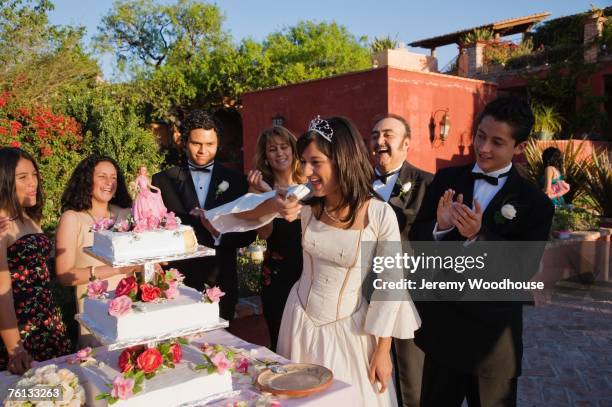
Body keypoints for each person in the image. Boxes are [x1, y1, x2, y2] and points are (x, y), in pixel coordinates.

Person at [259, 116, 421, 406]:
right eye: (304, 162)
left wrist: (383, 351)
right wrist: (268, 203)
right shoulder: (306, 204)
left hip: (349, 332)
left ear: (342, 159)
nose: (306, 172)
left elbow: (390, 286)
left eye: (315, 162)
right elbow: (249, 218)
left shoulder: (379, 214)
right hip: (298, 321)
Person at [410, 96, 554, 407]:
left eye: (497, 142)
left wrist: (479, 236)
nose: (484, 147)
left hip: (494, 343)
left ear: (518, 148)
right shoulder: (447, 180)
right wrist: (440, 228)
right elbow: (416, 241)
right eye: (480, 136)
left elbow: (523, 267)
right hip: (444, 333)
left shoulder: (536, 203)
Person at [152, 110, 255, 320]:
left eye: (209, 144)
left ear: (218, 144)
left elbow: (248, 235)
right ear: (184, 141)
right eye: (196, 143)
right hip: (176, 286)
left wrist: (216, 231)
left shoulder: (237, 181)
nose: (202, 150)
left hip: (221, 284)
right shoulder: (162, 181)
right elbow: (155, 231)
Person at [370, 114, 432, 407]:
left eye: (387, 135)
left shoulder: (428, 184)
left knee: (411, 378)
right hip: (364, 294)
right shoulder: (357, 185)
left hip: (409, 294)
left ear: (406, 143)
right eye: (374, 136)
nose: (379, 141)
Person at [55, 155, 140, 346]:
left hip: (133, 307)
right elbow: (64, 275)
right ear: (87, 179)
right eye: (102, 176)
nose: (109, 182)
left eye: (114, 177)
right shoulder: (72, 218)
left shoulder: (126, 213)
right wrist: (116, 269)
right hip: (95, 313)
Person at [0, 147, 72, 373]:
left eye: (34, 175)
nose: (33, 182)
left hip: (47, 321)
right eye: (22, 177)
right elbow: (2, 290)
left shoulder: (27, 216)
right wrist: (15, 348)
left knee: (60, 393)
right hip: (20, 329)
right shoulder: (1, 223)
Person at [247, 126, 305, 351]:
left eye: (284, 147)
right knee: (281, 339)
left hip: (311, 272)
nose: (280, 153)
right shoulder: (259, 189)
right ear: (266, 157)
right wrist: (263, 195)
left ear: (293, 150)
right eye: (272, 149)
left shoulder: (311, 185)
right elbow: (265, 234)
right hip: (278, 277)